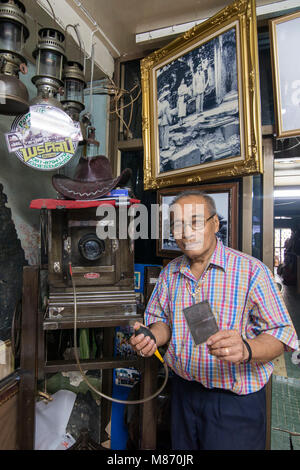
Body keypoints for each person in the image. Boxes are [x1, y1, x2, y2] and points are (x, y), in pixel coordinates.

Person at [130, 190, 298, 450]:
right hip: (183, 395)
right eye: (177, 225)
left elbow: (282, 335)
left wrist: (246, 348)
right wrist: (152, 336)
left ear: (215, 224)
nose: (186, 232)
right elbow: (161, 320)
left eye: (196, 222)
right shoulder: (170, 273)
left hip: (234, 404)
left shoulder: (251, 272)